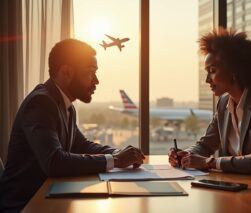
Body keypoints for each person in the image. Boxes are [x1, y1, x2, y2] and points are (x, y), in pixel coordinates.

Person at [0, 39, 145, 212]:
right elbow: (54, 162)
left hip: (49, 198)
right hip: (25, 205)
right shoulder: (41, 102)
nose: (96, 81)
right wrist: (115, 160)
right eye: (90, 72)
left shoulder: (64, 105)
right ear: (67, 72)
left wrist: (116, 153)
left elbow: (81, 145)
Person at [169, 28, 251, 185]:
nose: (207, 80)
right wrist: (185, 155)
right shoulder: (224, 104)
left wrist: (209, 163)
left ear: (234, 71)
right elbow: (205, 145)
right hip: (243, 187)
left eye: (212, 71)